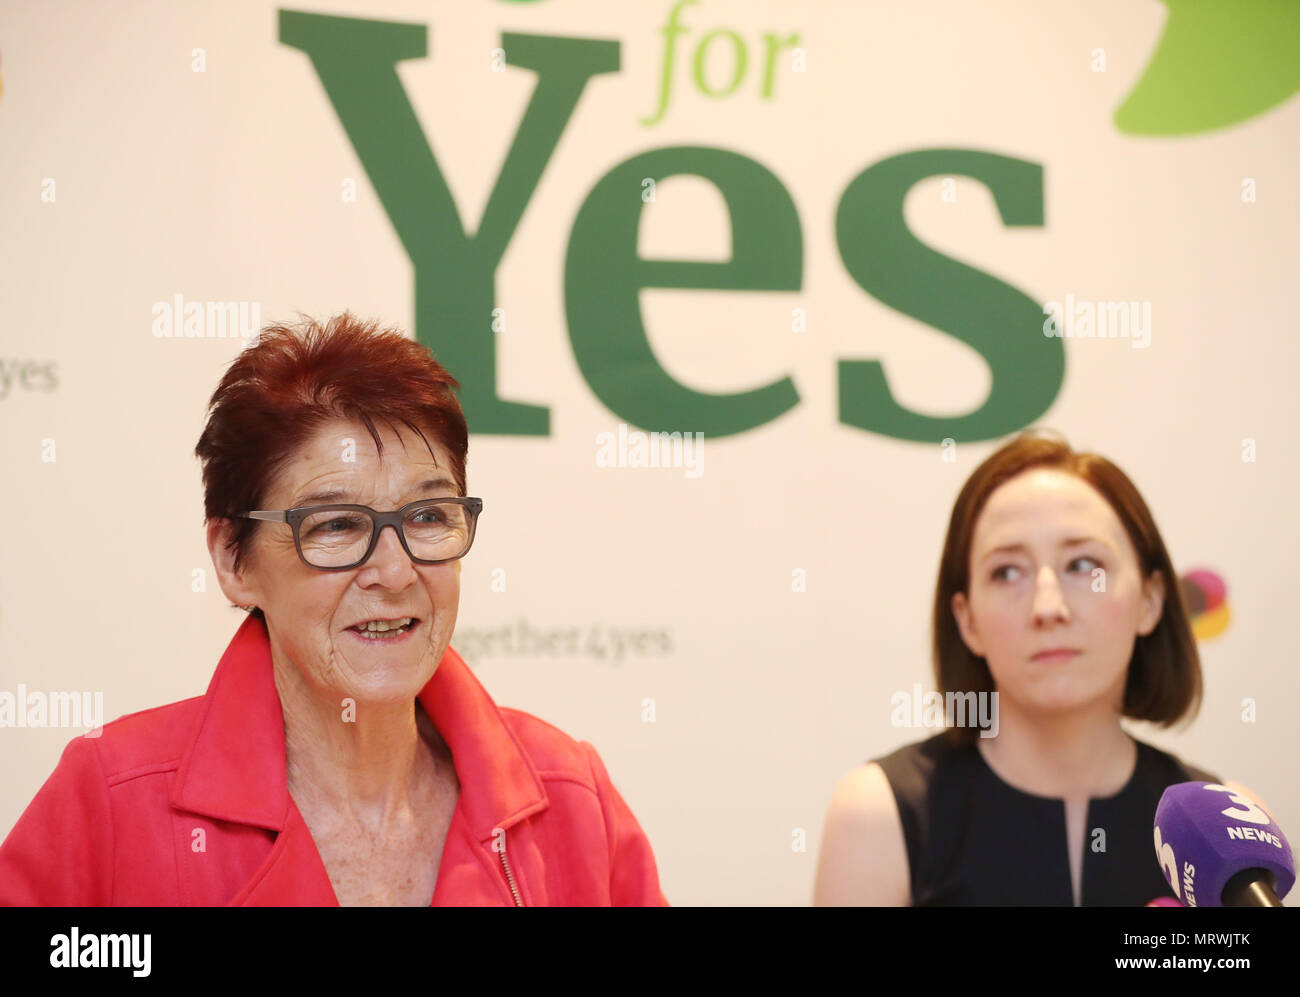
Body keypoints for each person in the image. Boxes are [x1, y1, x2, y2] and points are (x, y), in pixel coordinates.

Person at [0, 313, 668, 906]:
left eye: (429, 515)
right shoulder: (112, 803)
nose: (395, 570)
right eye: (338, 526)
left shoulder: (572, 802)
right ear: (235, 559)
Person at [813, 430, 1267, 906]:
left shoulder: (1225, 827)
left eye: (1083, 565)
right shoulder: (881, 814)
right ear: (967, 620)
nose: (1047, 607)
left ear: (1150, 600)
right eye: (1007, 572)